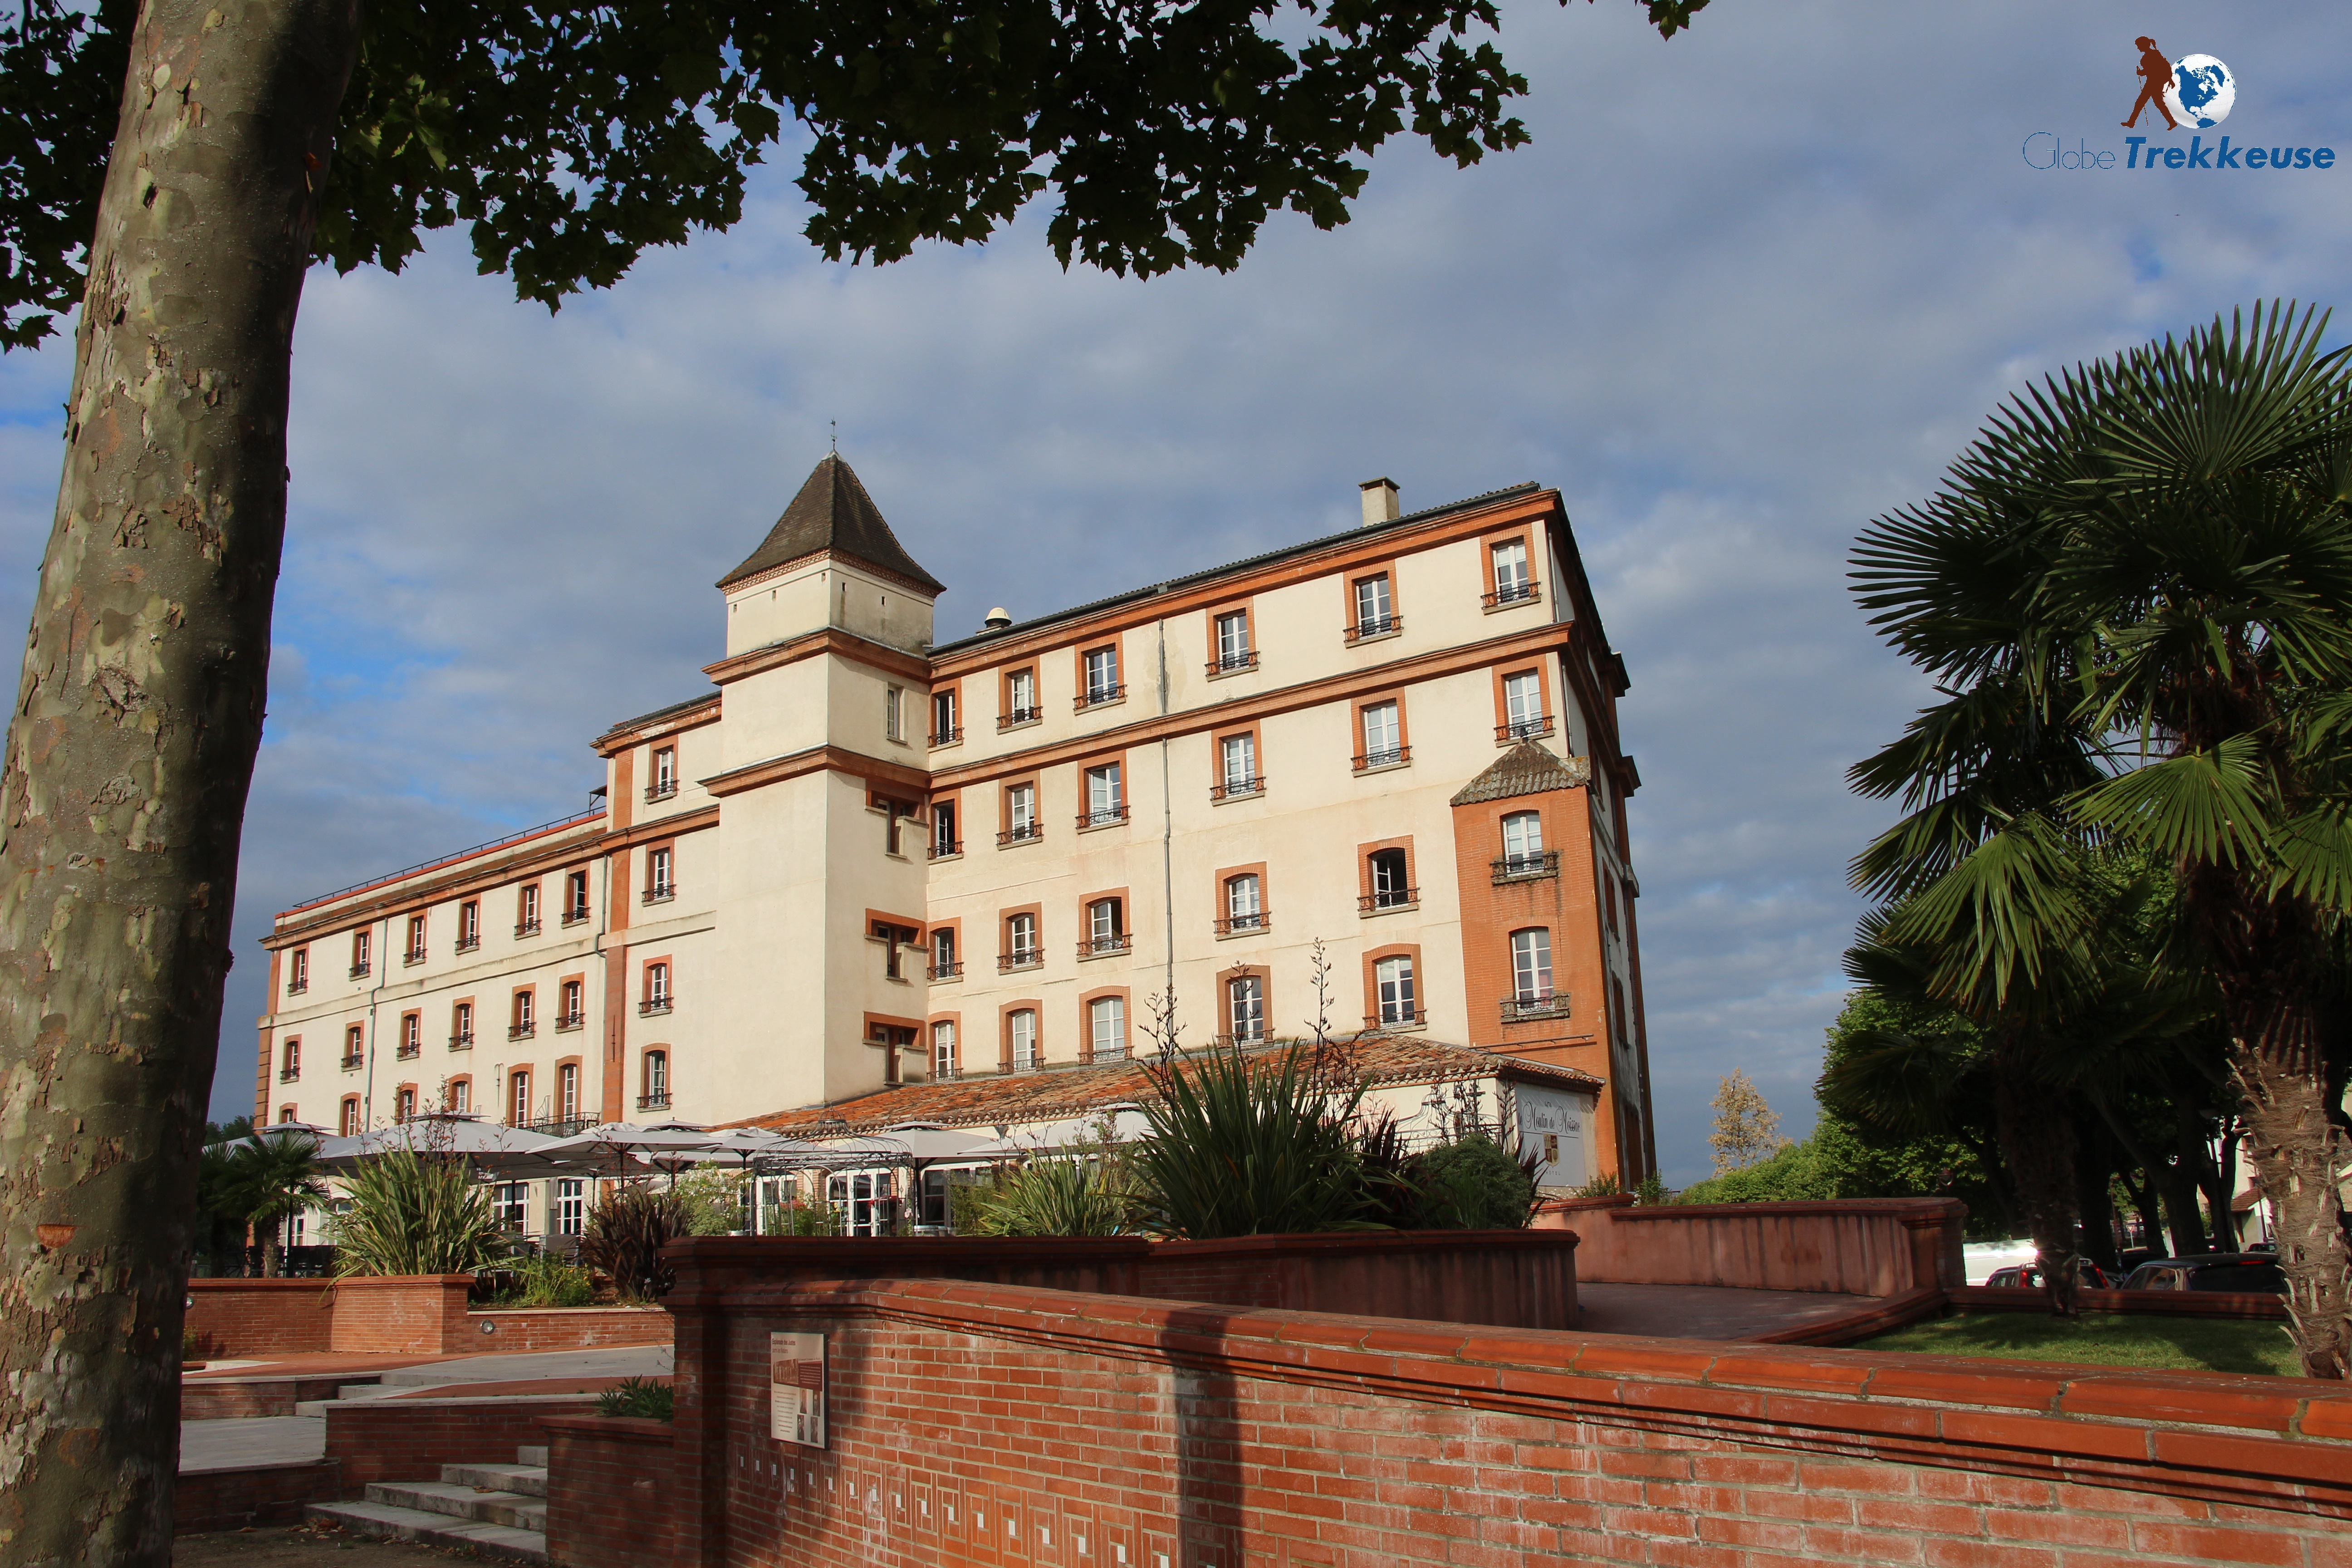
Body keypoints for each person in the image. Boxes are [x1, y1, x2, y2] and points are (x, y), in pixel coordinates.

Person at [2123, 36, 2178, 130]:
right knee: (2157, 103)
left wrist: (2141, 73)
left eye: (2139, 45)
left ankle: (2131, 123)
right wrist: (2142, 73)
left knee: (2141, 102)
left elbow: (2153, 69)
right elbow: (2152, 69)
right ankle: (2172, 123)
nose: (2138, 48)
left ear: (2144, 45)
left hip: (2154, 82)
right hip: (2154, 82)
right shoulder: (2152, 54)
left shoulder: (2153, 54)